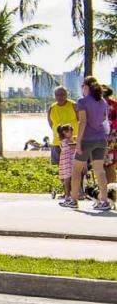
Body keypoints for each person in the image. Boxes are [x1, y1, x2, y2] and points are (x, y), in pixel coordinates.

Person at [62, 76, 111, 210]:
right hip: (101, 139)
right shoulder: (102, 101)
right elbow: (104, 119)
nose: (81, 88)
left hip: (87, 140)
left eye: (82, 86)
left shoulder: (82, 101)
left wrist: (78, 142)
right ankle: (104, 201)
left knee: (76, 170)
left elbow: (82, 122)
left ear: (86, 87)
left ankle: (73, 200)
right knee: (100, 171)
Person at [47, 86, 78, 167]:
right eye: (57, 94)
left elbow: (81, 121)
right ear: (54, 96)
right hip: (57, 142)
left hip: (73, 142)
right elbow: (51, 123)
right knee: (60, 168)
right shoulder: (51, 107)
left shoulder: (74, 105)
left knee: (74, 167)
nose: (60, 96)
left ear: (67, 94)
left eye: (62, 94)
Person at [57, 124, 76, 204]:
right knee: (67, 179)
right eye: (70, 131)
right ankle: (67, 195)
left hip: (68, 161)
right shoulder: (65, 141)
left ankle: (68, 194)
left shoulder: (67, 140)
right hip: (67, 162)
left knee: (68, 179)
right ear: (64, 132)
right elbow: (73, 147)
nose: (71, 133)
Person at [103, 85, 117, 184]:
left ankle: (110, 190)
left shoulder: (113, 104)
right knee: (105, 165)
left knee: (109, 164)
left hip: (110, 137)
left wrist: (113, 130)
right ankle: (106, 190)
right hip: (105, 137)